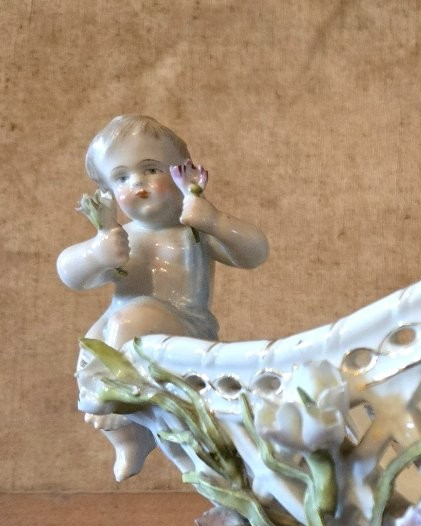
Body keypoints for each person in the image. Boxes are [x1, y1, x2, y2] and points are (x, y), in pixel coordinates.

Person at [57, 115, 269, 479]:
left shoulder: (193, 231)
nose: (137, 184)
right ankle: (130, 439)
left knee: (131, 318)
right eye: (121, 177)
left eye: (151, 169)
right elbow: (69, 272)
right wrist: (96, 254)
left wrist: (215, 220)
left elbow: (255, 253)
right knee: (94, 344)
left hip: (185, 330)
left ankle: (118, 400)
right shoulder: (120, 239)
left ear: (182, 172)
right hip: (123, 334)